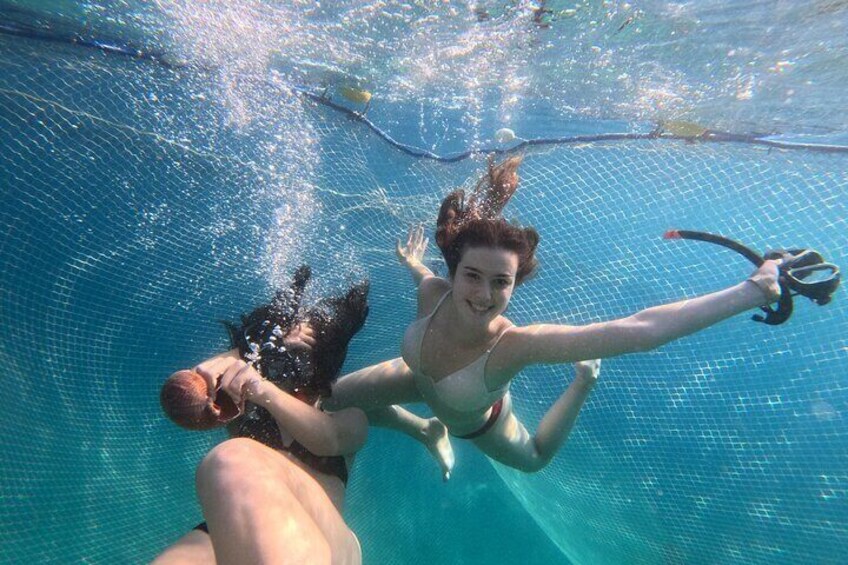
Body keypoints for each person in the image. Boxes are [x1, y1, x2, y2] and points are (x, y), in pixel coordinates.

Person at [326, 155, 783, 473]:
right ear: (454, 270)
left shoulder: (514, 346)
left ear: (515, 283)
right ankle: (426, 430)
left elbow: (642, 331)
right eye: (472, 276)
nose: (484, 294)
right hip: (417, 380)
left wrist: (754, 291)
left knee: (536, 459)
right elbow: (426, 274)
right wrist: (411, 262)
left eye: (501, 282)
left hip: (479, 420)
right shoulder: (433, 291)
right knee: (331, 398)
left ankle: (584, 383)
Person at [153, 267, 447, 564]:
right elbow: (195, 386)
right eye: (285, 352)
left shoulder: (348, 417)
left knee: (232, 459)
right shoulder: (246, 406)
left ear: (324, 359)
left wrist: (262, 386)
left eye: (303, 353)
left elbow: (327, 440)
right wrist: (261, 345)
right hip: (240, 525)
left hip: (323, 534)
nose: (291, 362)